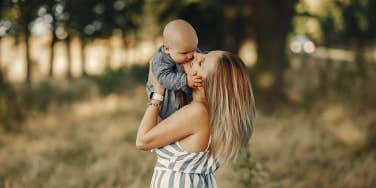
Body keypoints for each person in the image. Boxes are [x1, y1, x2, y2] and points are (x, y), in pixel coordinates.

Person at [136, 51, 256, 187]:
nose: (195, 55)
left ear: (204, 83)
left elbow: (143, 141)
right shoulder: (209, 114)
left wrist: (157, 93)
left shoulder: (197, 113)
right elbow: (158, 134)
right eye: (204, 54)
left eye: (201, 62)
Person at [146, 19, 204, 120]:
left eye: (193, 49)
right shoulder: (160, 60)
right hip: (167, 106)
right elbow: (163, 78)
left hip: (187, 103)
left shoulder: (189, 50)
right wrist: (185, 80)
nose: (191, 55)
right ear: (167, 49)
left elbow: (202, 56)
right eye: (184, 53)